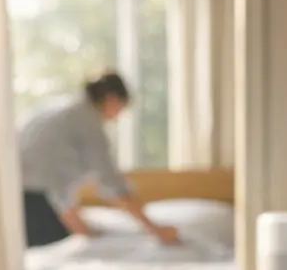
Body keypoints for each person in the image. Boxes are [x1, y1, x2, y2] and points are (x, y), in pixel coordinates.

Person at [19, 71, 180, 247]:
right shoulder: (87, 123)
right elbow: (112, 183)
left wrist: (82, 227)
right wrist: (154, 229)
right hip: (37, 202)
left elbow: (55, 181)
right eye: (121, 107)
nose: (117, 115)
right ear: (112, 99)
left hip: (16, 195)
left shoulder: (57, 109)